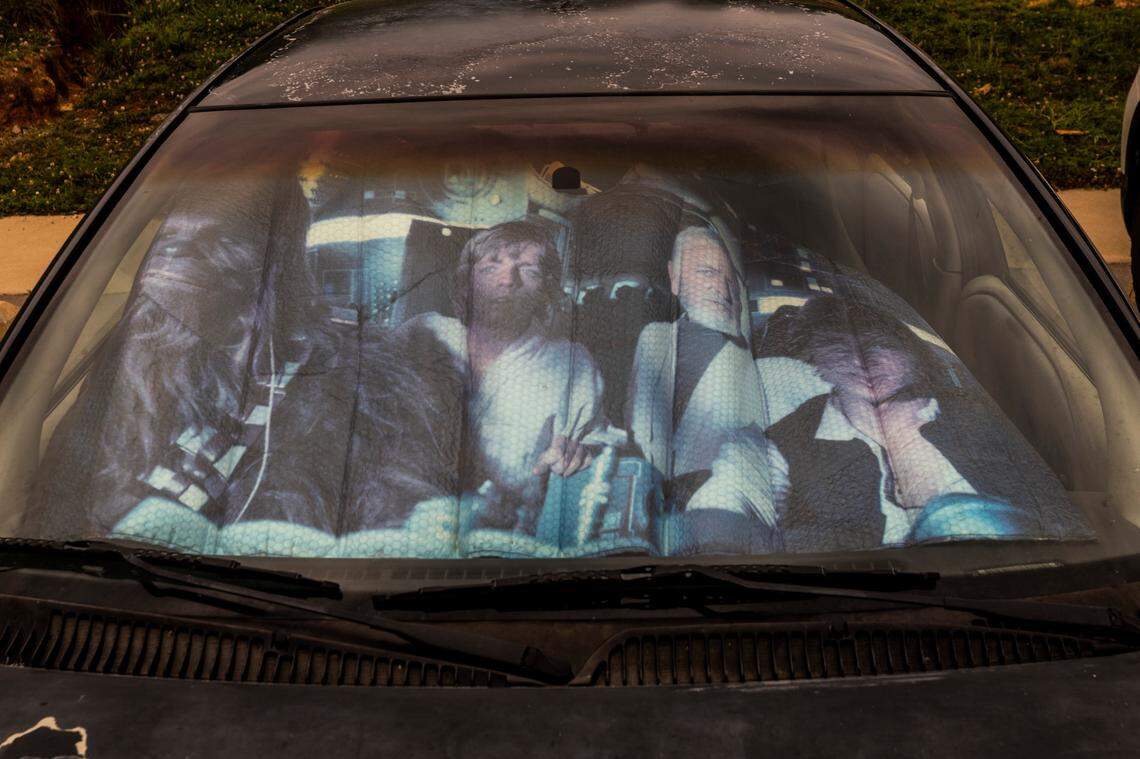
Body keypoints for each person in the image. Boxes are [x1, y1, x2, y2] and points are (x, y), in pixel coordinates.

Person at [687, 294, 1088, 553]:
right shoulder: (787, 440)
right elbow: (749, 514)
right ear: (817, 364)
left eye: (879, 346)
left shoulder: (975, 415)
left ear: (912, 353)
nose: (862, 362)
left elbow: (1053, 519)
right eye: (837, 350)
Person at [401, 220, 607, 530]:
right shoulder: (421, 335)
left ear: (546, 292)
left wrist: (581, 452)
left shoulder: (572, 363)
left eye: (528, 270)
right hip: (394, 521)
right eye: (490, 267)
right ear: (466, 282)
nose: (508, 280)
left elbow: (597, 453)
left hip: (502, 537)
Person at [626, 223, 767, 518]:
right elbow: (634, 420)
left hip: (708, 514)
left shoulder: (755, 365)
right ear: (674, 278)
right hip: (641, 501)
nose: (722, 289)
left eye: (732, 280)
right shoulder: (653, 338)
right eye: (708, 272)